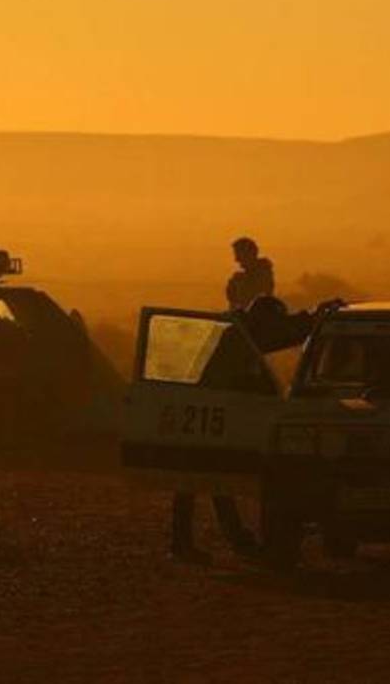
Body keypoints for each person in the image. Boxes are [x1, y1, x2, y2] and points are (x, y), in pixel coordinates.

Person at [169, 238, 274, 563]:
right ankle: (205, 542)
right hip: (209, 419)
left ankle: (206, 541)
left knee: (206, 483)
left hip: (207, 418)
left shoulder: (231, 332)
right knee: (202, 481)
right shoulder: (236, 339)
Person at [226, 237, 275, 310]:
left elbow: (252, 297)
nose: (236, 259)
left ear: (249, 254)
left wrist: (239, 285)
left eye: (238, 254)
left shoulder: (262, 274)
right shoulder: (240, 277)